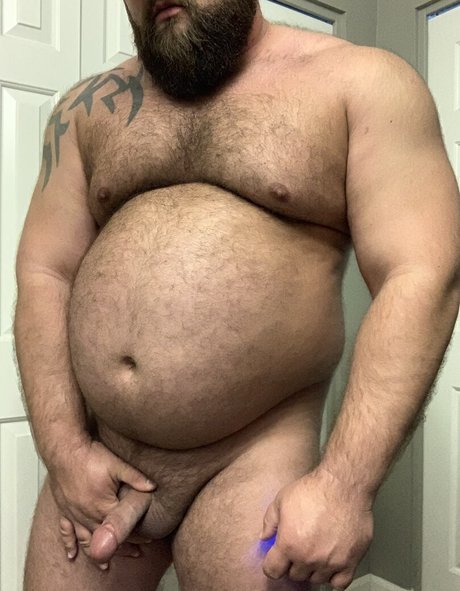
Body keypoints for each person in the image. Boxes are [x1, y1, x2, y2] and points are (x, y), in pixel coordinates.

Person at [14, 0, 460, 589]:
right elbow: (45, 274)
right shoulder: (84, 111)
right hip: (100, 462)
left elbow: (421, 272)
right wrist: (65, 451)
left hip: (252, 464)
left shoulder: (362, 82)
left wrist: (343, 487)